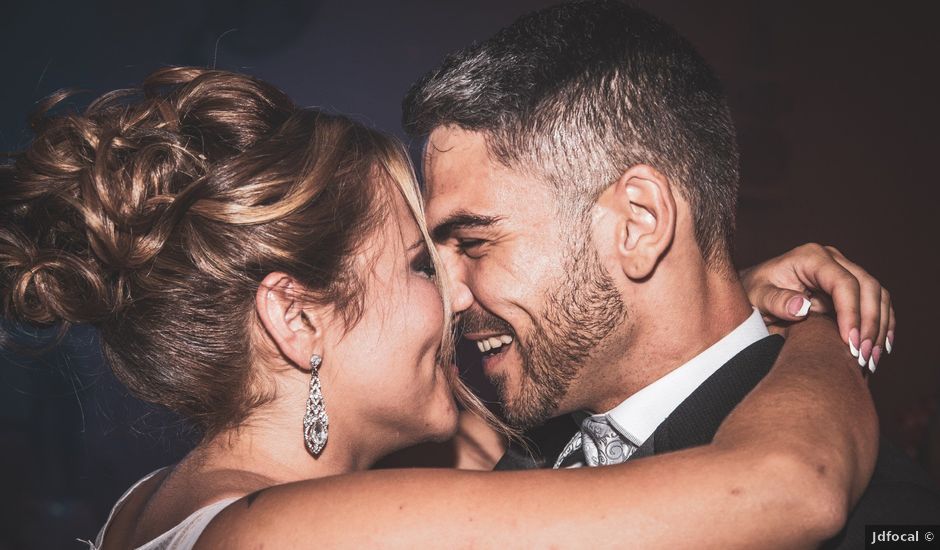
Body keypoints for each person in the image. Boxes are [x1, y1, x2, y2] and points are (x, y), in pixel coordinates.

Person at [0, 65, 885, 549]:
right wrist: (810, 327)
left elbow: (507, 449)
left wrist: (715, 287)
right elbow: (788, 487)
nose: (459, 296)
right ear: (296, 320)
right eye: (424, 264)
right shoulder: (294, 532)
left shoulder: (145, 507)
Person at [401, 1, 939, 546]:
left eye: (473, 242)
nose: (449, 296)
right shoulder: (522, 450)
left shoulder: (884, 515)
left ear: (639, 223)